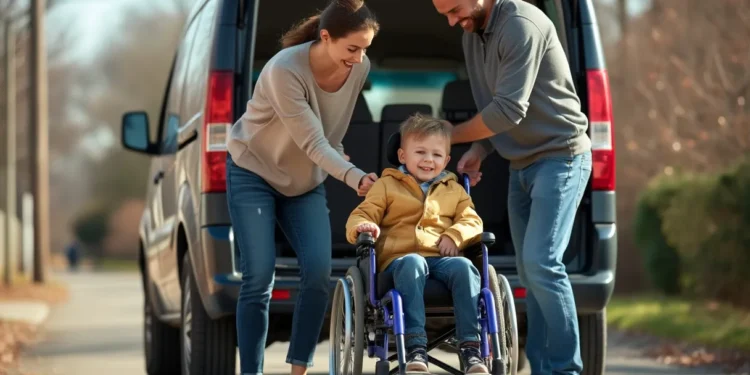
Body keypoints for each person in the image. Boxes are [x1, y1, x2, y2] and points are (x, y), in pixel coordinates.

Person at [431, 0, 593, 373]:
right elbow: (492, 106)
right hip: (520, 165)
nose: (454, 22)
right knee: (529, 270)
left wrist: (446, 136)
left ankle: (566, 368)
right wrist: (479, 147)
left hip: (560, 157)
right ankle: (540, 367)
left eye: (455, 10)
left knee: (542, 264)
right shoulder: (474, 35)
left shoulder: (522, 25)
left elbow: (507, 110)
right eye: (446, 16)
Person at [225, 1, 379, 374]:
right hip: (253, 172)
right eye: (352, 49)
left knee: (317, 274)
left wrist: (349, 169)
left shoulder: (359, 68)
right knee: (259, 275)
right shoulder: (284, 69)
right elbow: (314, 143)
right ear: (325, 38)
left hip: (305, 182)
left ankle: (299, 369)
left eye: (365, 50)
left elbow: (333, 134)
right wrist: (355, 176)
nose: (359, 60)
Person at [346, 114, 490, 374]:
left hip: (442, 259)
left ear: (446, 160)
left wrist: (455, 235)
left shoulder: (454, 189)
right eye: (420, 152)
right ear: (403, 156)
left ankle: (470, 348)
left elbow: (472, 221)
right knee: (412, 262)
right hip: (400, 261)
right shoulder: (386, 185)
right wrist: (362, 227)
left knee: (465, 268)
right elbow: (362, 214)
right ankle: (415, 347)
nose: (428, 160)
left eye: (436, 155)